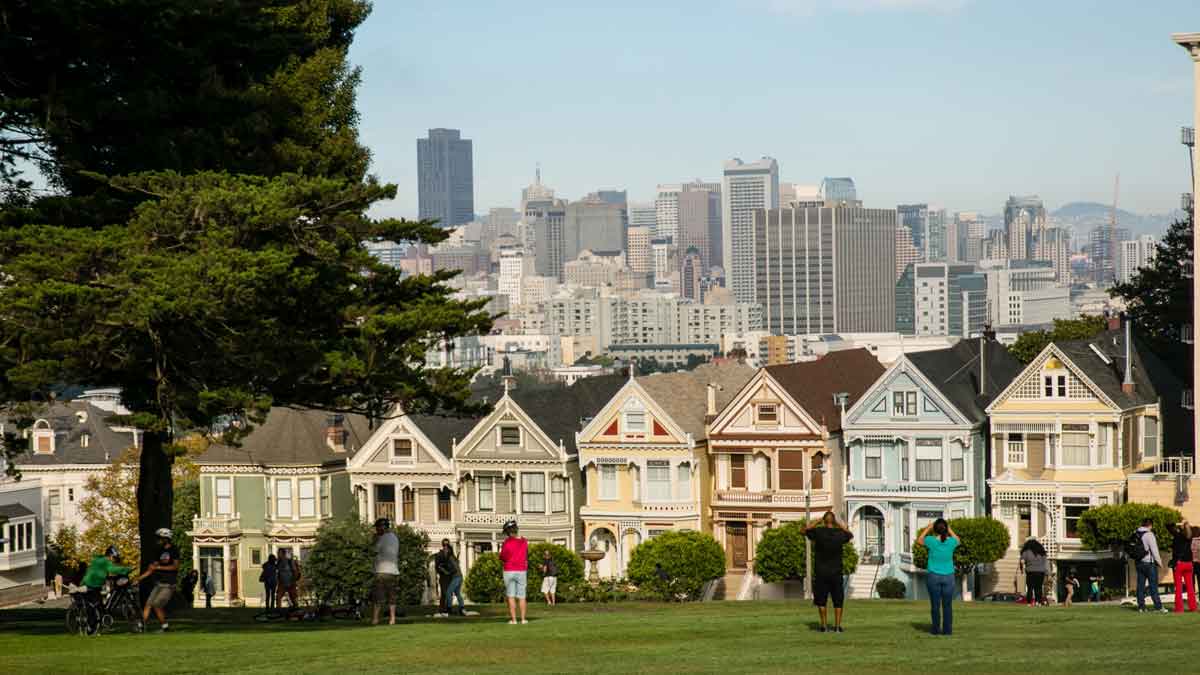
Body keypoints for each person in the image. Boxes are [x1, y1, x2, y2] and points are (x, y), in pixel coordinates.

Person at [805, 511, 853, 633]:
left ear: (824, 521)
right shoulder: (839, 534)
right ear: (833, 521)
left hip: (821, 572)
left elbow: (806, 529)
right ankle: (837, 627)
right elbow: (850, 534)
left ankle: (824, 626)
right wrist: (838, 523)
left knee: (821, 600)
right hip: (836, 572)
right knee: (838, 600)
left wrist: (818, 521)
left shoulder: (818, 532)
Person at [920, 518, 959, 636]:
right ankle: (947, 631)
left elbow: (920, 540)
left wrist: (928, 528)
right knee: (947, 605)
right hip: (948, 576)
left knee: (935, 605)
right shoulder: (951, 542)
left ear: (935, 530)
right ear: (945, 529)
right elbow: (958, 540)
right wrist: (950, 529)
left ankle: (936, 630)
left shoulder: (931, 541)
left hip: (933, 576)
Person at [136, 527, 180, 633]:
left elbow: (175, 567)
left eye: (160, 538)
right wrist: (138, 579)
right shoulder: (158, 550)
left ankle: (165, 628)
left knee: (157, 605)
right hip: (159, 583)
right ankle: (141, 627)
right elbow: (152, 568)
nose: (158, 540)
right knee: (148, 604)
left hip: (169, 584)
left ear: (166, 538)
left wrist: (159, 568)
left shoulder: (174, 550)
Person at [81, 546, 132, 635]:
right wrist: (127, 569)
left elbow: (103, 573)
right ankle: (92, 628)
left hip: (92, 583)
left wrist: (110, 577)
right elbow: (112, 569)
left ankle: (99, 626)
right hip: (92, 585)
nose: (114, 560)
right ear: (110, 555)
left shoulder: (100, 560)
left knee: (99, 606)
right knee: (97, 607)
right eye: (114, 558)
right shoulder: (104, 561)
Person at [1133, 518, 1168, 613]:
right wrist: (1160, 563)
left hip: (1139, 562)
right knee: (1153, 586)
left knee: (1140, 586)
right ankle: (1158, 607)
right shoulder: (1149, 534)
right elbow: (1154, 550)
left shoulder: (1136, 533)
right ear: (1150, 525)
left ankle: (1141, 607)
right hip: (1149, 563)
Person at [498, 520, 528, 625]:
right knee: (522, 596)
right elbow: (526, 555)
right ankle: (523, 619)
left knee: (511, 596)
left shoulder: (507, 542)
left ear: (508, 532)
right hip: (521, 570)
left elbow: (502, 557)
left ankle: (514, 620)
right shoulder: (524, 541)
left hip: (509, 570)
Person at [371, 518, 400, 625]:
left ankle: (375, 619)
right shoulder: (395, 538)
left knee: (378, 596)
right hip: (393, 571)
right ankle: (392, 619)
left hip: (381, 571)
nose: (376, 530)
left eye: (377, 527)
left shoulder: (382, 538)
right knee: (392, 597)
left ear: (382, 527)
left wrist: (375, 540)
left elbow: (374, 550)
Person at [1170, 520, 1196, 613]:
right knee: (1190, 587)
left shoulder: (1177, 536)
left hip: (1179, 564)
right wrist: (1185, 524)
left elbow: (1169, 525)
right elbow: (1188, 532)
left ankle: (1179, 608)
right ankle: (1193, 607)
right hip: (1189, 564)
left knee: (1179, 587)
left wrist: (1177, 524)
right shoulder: (1189, 537)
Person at [434, 539, 465, 616]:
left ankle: (449, 608)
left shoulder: (451, 557)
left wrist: (447, 571)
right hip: (452, 577)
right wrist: (443, 570)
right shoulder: (442, 555)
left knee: (448, 592)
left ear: (449, 549)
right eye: (444, 545)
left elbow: (454, 569)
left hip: (455, 577)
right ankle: (460, 608)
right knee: (455, 593)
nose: (446, 548)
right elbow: (438, 567)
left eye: (447, 546)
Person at [1018, 538, 1048, 606]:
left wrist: (1022, 570)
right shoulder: (1041, 552)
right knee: (1039, 587)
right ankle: (1038, 602)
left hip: (1030, 572)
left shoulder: (1026, 552)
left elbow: (1022, 562)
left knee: (1030, 588)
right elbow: (1045, 563)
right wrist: (1047, 573)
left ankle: (1029, 603)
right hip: (1040, 572)